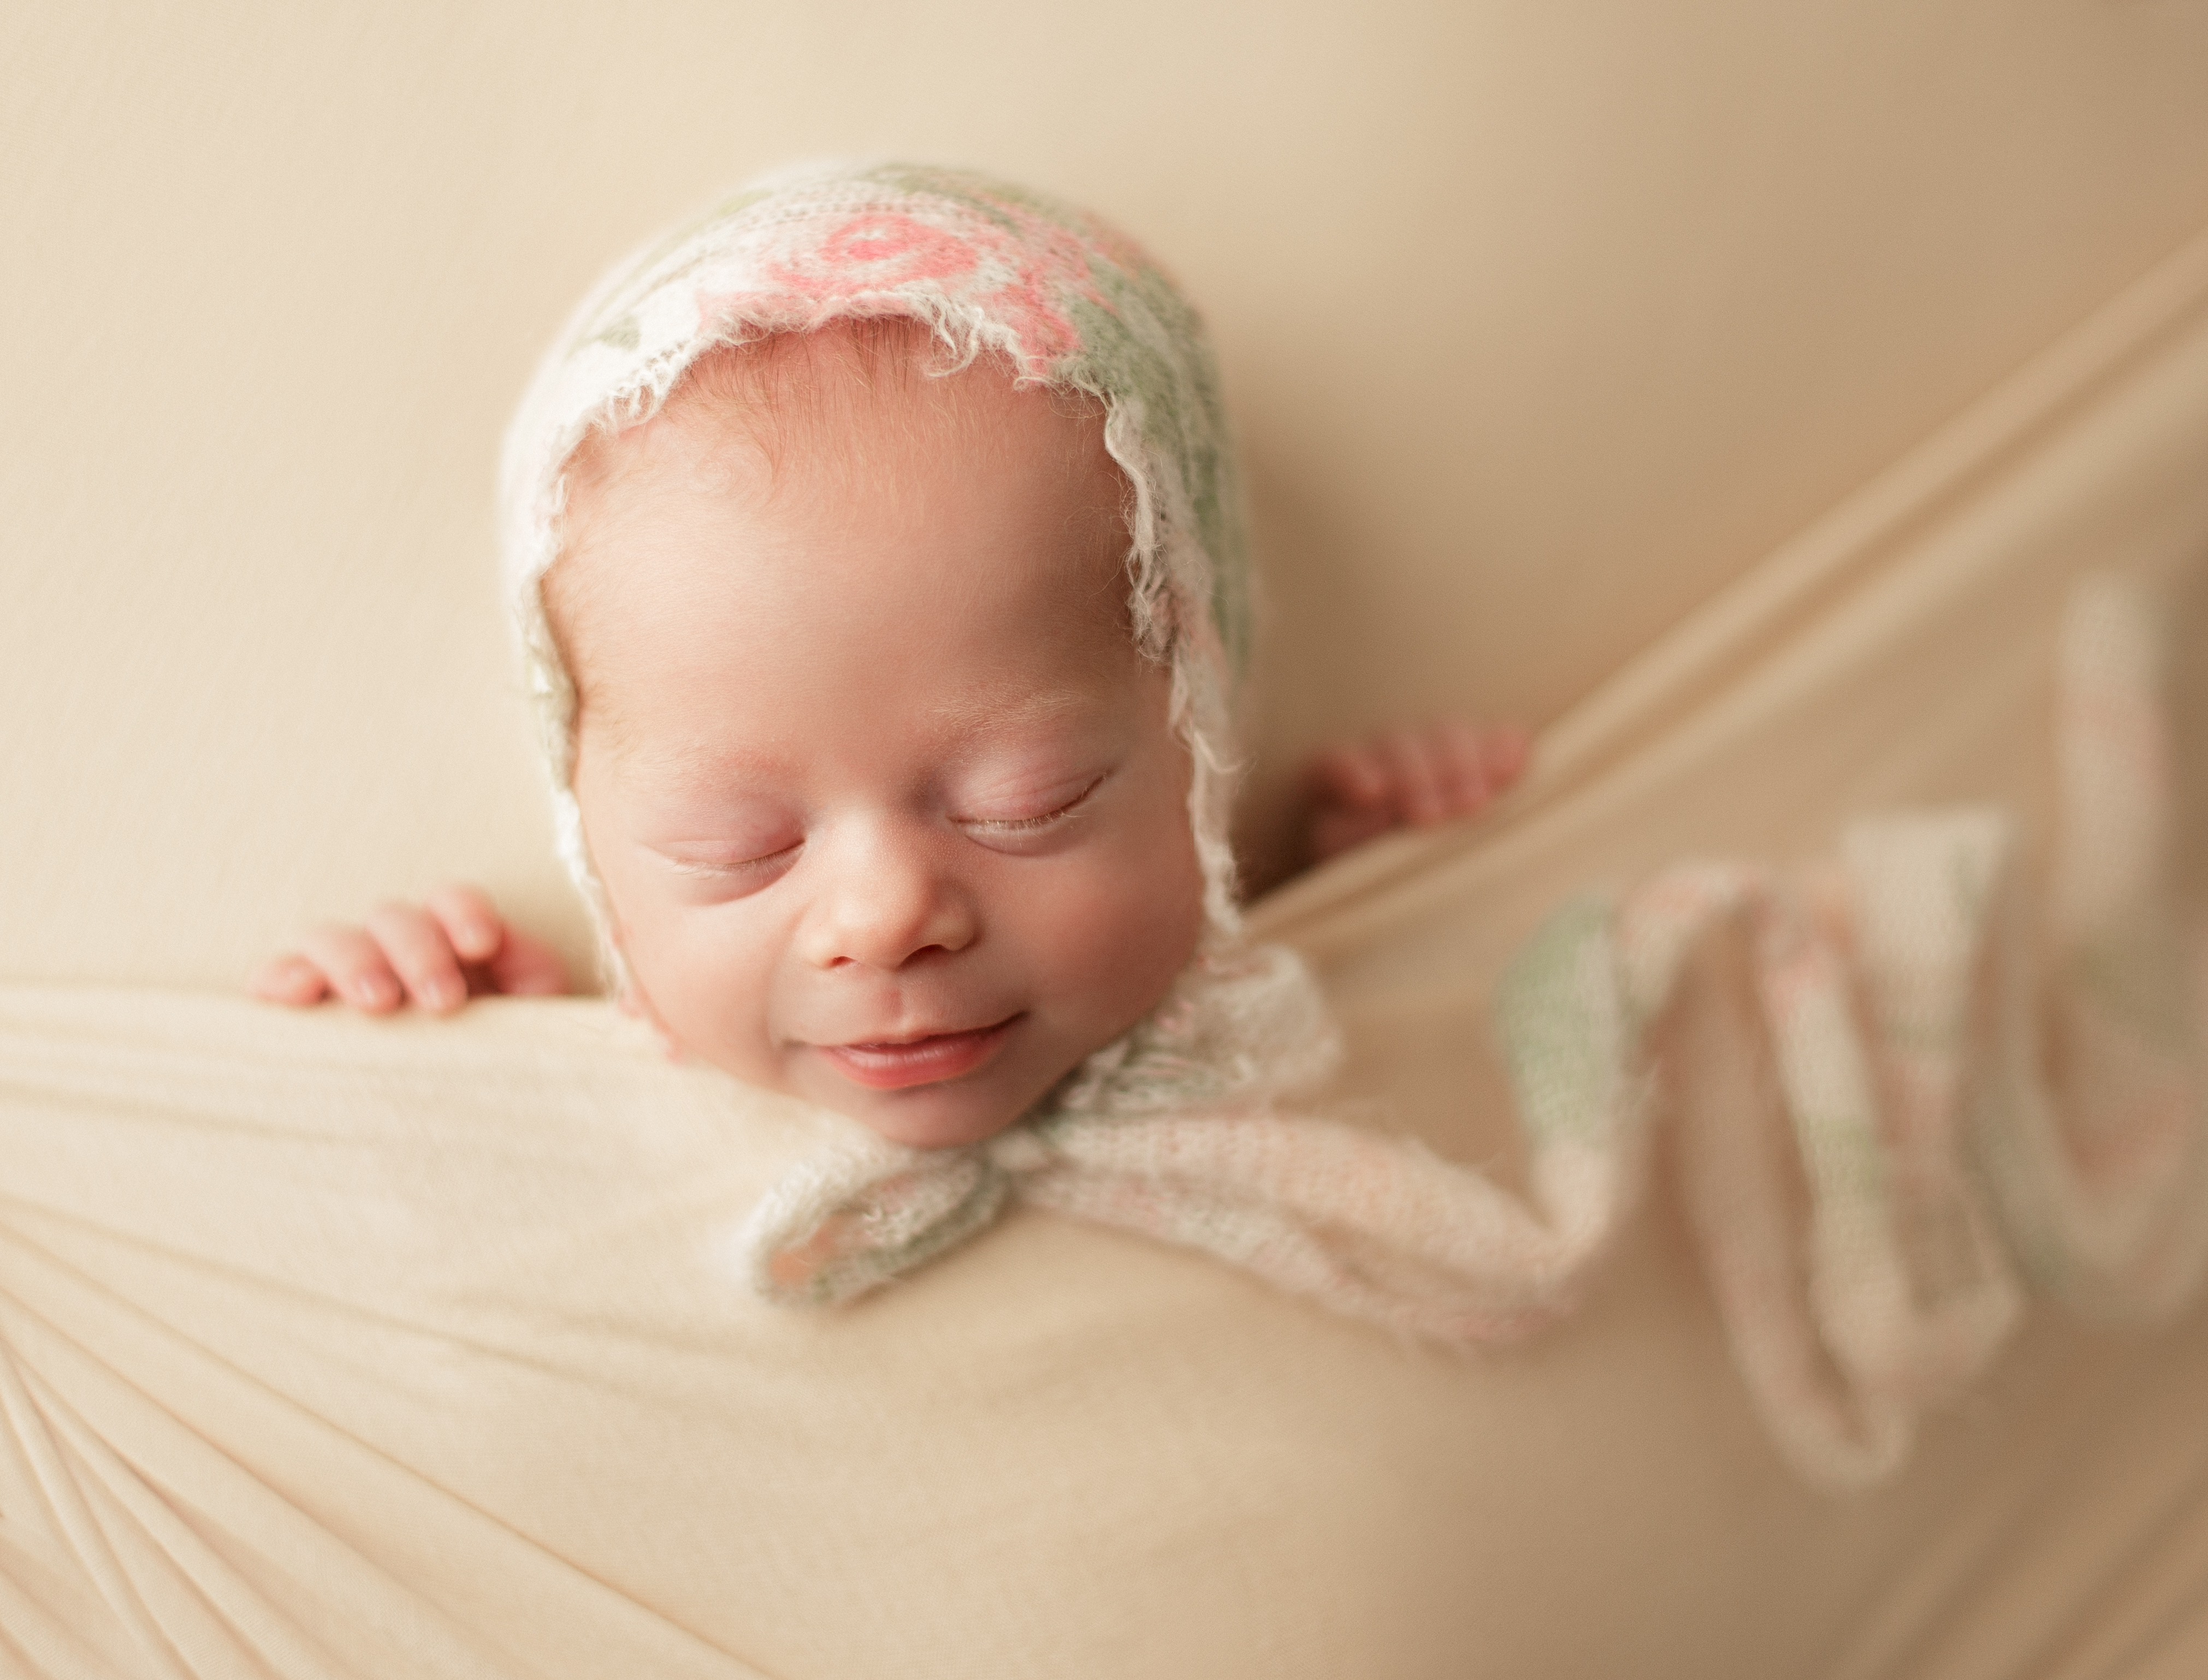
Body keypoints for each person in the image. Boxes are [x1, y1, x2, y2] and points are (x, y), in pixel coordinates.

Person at [248, 163, 1525, 1153]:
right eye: (731, 846)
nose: (884, 919)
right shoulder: (599, 1067)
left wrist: (1405, 905)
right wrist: (476, 1050)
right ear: (588, 834)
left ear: (1201, 707)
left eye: (1028, 803)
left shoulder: (1279, 1022)